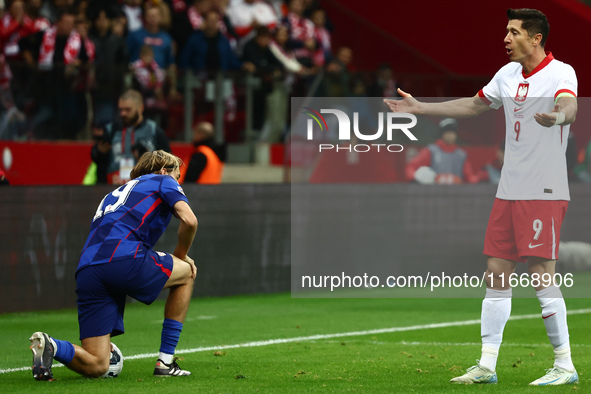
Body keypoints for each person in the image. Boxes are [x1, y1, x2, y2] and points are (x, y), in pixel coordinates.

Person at [384, 8, 578, 386]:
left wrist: (557, 117)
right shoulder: (506, 75)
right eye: (506, 31)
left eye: (514, 31)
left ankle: (564, 364)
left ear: (536, 38)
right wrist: (420, 107)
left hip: (543, 189)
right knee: (496, 271)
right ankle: (487, 365)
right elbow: (474, 105)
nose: (505, 38)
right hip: (508, 189)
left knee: (541, 275)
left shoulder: (561, 72)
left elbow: (569, 104)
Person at [29, 150, 198, 380]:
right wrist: (181, 255)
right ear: (163, 171)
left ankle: (52, 346)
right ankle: (165, 362)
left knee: (98, 364)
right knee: (187, 273)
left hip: (88, 269)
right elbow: (190, 221)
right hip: (123, 257)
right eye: (177, 176)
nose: (177, 182)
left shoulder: (114, 193)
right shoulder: (163, 180)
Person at [91, 89, 171, 185]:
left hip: (145, 188)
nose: (123, 113)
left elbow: (169, 164)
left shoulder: (154, 131)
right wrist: (99, 152)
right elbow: (96, 158)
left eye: (128, 110)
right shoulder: (111, 130)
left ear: (141, 108)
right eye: (121, 109)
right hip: (113, 188)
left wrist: (147, 160)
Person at [406, 118, 481, 184]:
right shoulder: (430, 151)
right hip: (434, 195)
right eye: (447, 132)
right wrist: (416, 176)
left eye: (452, 132)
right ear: (442, 134)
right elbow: (410, 168)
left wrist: (482, 180)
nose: (450, 135)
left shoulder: (461, 155)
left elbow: (470, 177)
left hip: (456, 196)